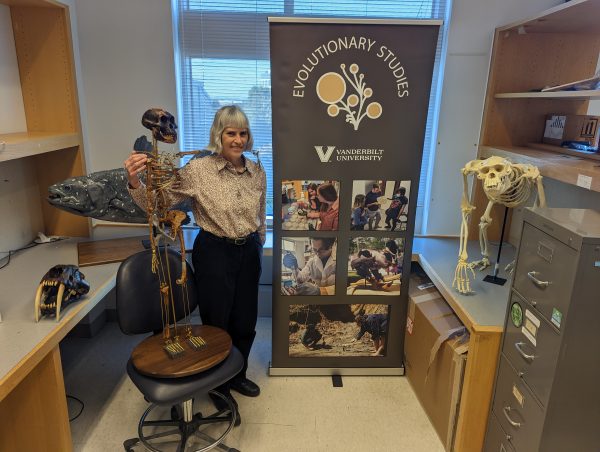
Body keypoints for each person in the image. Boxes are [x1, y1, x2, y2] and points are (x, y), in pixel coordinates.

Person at [124, 105, 266, 425]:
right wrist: (134, 181)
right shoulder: (198, 169)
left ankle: (237, 374)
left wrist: (259, 239)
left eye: (243, 132)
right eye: (231, 132)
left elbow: (259, 211)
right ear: (219, 134)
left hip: (249, 252)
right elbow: (158, 204)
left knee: (245, 320)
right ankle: (218, 386)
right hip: (215, 251)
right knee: (218, 321)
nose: (238, 139)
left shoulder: (257, 171)